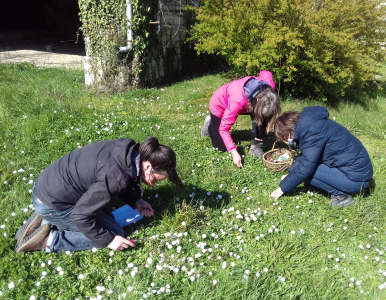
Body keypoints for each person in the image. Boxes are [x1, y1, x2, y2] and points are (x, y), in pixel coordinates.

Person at [15, 136, 182, 253]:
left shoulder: (127, 151)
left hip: (48, 186)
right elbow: (81, 216)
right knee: (114, 232)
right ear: (147, 167)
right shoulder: (116, 177)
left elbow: (116, 179)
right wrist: (109, 241)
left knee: (105, 216)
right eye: (155, 179)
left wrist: (136, 200)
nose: (153, 184)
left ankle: (48, 218)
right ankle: (50, 239)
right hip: (52, 201)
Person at [270, 106, 373, 207]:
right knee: (300, 166)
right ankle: (336, 189)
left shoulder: (313, 131)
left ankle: (342, 196)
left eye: (285, 138)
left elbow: (306, 166)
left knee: (302, 169)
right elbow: (308, 157)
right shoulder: (312, 124)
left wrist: (282, 188)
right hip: (357, 173)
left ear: (290, 133)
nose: (287, 141)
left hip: (357, 180)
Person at [200, 70, 280, 168]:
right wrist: (234, 152)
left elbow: (265, 73)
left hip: (249, 104)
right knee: (220, 147)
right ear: (257, 101)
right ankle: (209, 125)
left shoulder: (269, 90)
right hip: (220, 104)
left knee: (263, 117)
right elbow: (224, 129)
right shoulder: (237, 99)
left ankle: (256, 147)